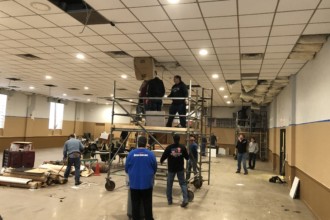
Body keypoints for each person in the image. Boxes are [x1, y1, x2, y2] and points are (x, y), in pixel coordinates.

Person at [125, 136, 157, 220]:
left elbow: (126, 169)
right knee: (147, 204)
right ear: (146, 144)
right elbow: (154, 168)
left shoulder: (131, 154)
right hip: (147, 184)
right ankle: (149, 218)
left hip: (134, 184)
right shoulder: (150, 154)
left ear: (137, 143)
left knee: (135, 205)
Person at [160, 134, 189, 207]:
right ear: (179, 139)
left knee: (169, 185)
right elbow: (187, 158)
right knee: (182, 184)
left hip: (171, 169)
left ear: (173, 139)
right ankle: (185, 199)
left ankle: (169, 201)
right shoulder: (182, 147)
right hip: (180, 169)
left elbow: (164, 156)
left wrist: (161, 160)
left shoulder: (169, 148)